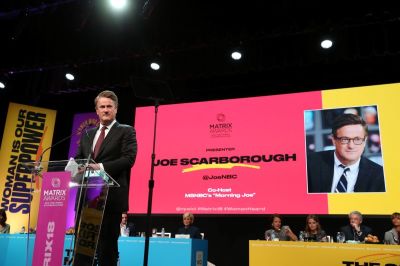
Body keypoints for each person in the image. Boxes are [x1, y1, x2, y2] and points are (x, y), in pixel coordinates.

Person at [75, 90, 137, 266]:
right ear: (96, 110)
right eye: (102, 106)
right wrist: (79, 165)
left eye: (109, 106)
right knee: (83, 246)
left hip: (111, 198)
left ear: (116, 109)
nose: (106, 110)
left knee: (107, 247)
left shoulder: (126, 131)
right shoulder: (87, 134)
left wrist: (100, 167)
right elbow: (80, 156)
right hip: (87, 198)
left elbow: (129, 159)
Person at [307, 113, 385, 193]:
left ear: (364, 141)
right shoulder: (309, 164)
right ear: (334, 140)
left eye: (357, 139)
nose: (351, 146)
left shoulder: (380, 175)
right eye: (345, 139)